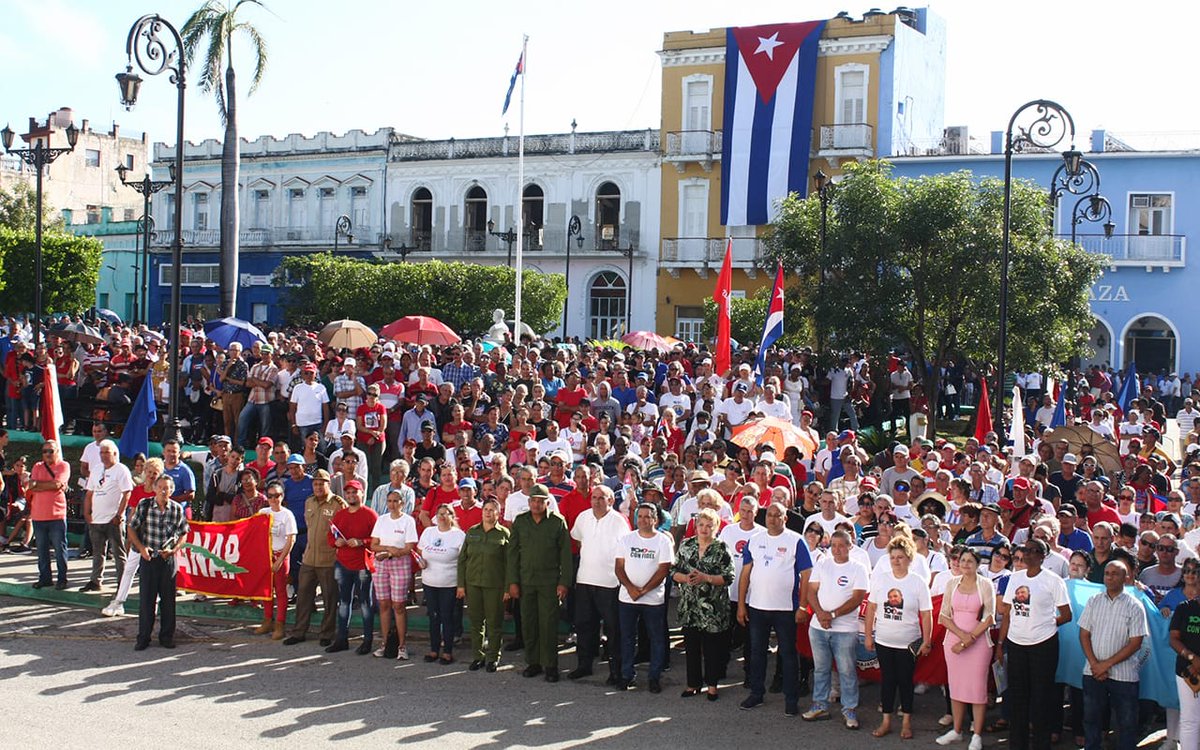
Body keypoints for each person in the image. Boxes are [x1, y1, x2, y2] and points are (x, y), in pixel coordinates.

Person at [738, 502, 814, 715]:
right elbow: (745, 575)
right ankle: (756, 693)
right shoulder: (755, 540)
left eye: (777, 515)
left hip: (785, 609)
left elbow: (807, 575)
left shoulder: (796, 540)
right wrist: (741, 605)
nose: (772, 519)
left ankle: (791, 699)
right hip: (757, 606)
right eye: (769, 515)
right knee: (757, 652)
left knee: (788, 654)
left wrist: (803, 606)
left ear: (785, 518)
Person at [996, 539, 1072, 750]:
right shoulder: (1015, 579)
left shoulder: (1053, 581)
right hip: (1017, 644)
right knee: (1018, 698)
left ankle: (1041, 744)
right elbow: (1008, 613)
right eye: (1024, 551)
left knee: (1041, 699)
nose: (1028, 554)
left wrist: (1046, 623)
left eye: (1033, 551)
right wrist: (1001, 644)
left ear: (1043, 555)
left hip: (1043, 645)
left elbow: (1066, 615)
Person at [864, 535, 933, 739]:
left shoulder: (918, 582)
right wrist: (868, 635)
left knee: (905, 681)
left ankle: (906, 722)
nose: (896, 560)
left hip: (909, 642)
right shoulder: (882, 579)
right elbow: (871, 608)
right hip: (884, 640)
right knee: (887, 681)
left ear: (909, 558)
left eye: (900, 557)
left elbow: (926, 613)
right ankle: (886, 721)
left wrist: (927, 640)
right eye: (893, 557)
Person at [506, 483, 573, 682]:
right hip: (526, 581)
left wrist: (564, 582)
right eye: (533, 500)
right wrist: (512, 582)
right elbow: (512, 554)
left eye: (540, 501)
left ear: (547, 503)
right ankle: (533, 662)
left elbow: (565, 556)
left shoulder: (557, 522)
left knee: (548, 624)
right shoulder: (520, 521)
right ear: (529, 502)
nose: (536, 504)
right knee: (529, 622)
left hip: (549, 582)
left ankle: (550, 665)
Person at [1078, 559, 1148, 750]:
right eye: (1107, 573)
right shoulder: (1093, 601)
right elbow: (1084, 634)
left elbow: (1135, 643)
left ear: (1126, 577)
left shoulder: (1134, 606)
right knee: (1091, 720)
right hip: (1093, 672)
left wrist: (1105, 665)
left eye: (1115, 574)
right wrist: (1095, 663)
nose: (1109, 577)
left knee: (1126, 723)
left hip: (1124, 676)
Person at [803, 528, 869, 729]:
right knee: (821, 669)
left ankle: (849, 709)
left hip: (844, 629)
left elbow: (857, 598)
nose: (837, 550)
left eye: (842, 546)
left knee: (847, 670)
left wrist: (831, 615)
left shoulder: (858, 568)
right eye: (833, 545)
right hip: (818, 627)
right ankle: (819, 705)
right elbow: (811, 592)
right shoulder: (822, 564)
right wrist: (820, 614)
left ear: (850, 546)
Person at [569, 484, 630, 683]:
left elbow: (625, 551)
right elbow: (577, 540)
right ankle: (584, 665)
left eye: (601, 498)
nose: (596, 501)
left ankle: (615, 671)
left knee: (613, 629)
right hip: (585, 580)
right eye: (594, 497)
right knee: (585, 626)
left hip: (610, 583)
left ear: (611, 501)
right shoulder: (583, 517)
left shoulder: (619, 521)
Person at [936, 548, 995, 750]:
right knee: (956, 687)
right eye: (963, 560)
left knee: (977, 689)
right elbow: (943, 616)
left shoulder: (985, 585)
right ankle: (956, 730)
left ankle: (976, 735)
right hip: (953, 643)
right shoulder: (951, 583)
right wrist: (962, 638)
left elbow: (989, 617)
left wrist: (970, 639)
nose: (966, 564)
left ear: (977, 564)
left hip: (979, 644)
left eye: (970, 561)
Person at [672, 506, 733, 700]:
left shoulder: (721, 548)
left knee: (712, 649)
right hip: (690, 607)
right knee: (691, 647)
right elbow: (673, 571)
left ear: (715, 527)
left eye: (709, 525)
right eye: (701, 524)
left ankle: (713, 685)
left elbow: (728, 576)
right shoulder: (686, 545)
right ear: (695, 526)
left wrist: (706, 577)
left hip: (713, 608)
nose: (704, 529)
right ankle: (693, 684)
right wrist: (685, 578)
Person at [614, 502, 675, 693]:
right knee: (627, 638)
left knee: (656, 639)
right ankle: (626, 675)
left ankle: (654, 677)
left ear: (655, 519)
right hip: (627, 598)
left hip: (653, 600)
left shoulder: (663, 541)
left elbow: (663, 570)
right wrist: (631, 588)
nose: (642, 520)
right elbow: (619, 567)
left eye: (647, 516)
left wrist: (644, 590)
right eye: (639, 516)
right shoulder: (626, 539)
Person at [127, 474, 189, 650]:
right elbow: (131, 528)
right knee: (147, 600)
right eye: (160, 487)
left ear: (172, 489)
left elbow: (184, 532)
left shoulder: (176, 509)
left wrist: (174, 550)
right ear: (154, 488)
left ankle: (167, 636)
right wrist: (141, 548)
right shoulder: (145, 505)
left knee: (168, 601)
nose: (164, 491)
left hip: (167, 560)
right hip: (149, 558)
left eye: (167, 488)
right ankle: (143, 637)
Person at [283, 470, 345, 647]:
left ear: (328, 484)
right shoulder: (309, 501)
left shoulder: (338, 504)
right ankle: (299, 632)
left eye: (321, 484)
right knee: (303, 597)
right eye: (315, 484)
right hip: (309, 558)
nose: (318, 487)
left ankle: (326, 633)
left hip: (328, 559)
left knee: (329, 598)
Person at [458, 498, 510, 672]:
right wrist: (461, 585)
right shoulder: (472, 532)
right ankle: (477, 656)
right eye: (485, 509)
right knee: (476, 623)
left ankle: (493, 658)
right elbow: (462, 560)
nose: (488, 512)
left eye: (492, 510)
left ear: (498, 513)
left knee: (494, 623)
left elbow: (510, 564)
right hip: (473, 584)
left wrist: (507, 588)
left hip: (495, 585)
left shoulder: (504, 534)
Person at [326, 479, 378, 654]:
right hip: (343, 563)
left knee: (365, 603)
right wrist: (336, 542)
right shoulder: (340, 515)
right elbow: (330, 536)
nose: (351, 495)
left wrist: (362, 541)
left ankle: (368, 640)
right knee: (344, 602)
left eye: (354, 492)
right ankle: (342, 638)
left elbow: (377, 541)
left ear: (362, 493)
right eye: (348, 493)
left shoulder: (370, 515)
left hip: (362, 564)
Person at [369, 488, 418, 660]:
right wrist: (388, 549)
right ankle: (384, 642)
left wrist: (391, 553)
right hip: (381, 564)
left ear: (402, 503)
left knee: (398, 605)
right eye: (389, 501)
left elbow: (408, 547)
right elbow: (373, 545)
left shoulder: (408, 521)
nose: (392, 504)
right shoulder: (381, 520)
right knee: (383, 604)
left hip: (400, 564)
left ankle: (402, 645)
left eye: (396, 501)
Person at [81, 439, 133, 594]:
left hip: (113, 519)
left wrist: (120, 514)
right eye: (102, 452)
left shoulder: (121, 469)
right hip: (96, 518)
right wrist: (87, 512)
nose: (103, 455)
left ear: (115, 454)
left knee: (119, 553)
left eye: (107, 452)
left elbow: (127, 493)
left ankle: (121, 584)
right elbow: (90, 493)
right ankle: (95, 580)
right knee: (97, 552)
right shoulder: (96, 469)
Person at [416, 503, 465, 664]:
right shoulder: (429, 532)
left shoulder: (459, 535)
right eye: (439, 513)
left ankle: (448, 651)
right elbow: (420, 551)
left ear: (452, 517)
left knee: (447, 617)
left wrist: (461, 585)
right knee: (434, 617)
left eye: (446, 513)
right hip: (430, 582)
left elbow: (464, 562)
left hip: (449, 584)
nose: (442, 516)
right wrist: (421, 561)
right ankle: (434, 649)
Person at [256, 481, 296, 639]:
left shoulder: (287, 515)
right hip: (265, 556)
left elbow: (291, 540)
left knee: (280, 591)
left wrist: (280, 561)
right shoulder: (263, 512)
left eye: (277, 495)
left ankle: (280, 624)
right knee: (265, 590)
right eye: (271, 496)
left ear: (282, 496)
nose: (274, 499)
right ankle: (267, 620)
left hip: (281, 555)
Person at [29, 440, 70, 590]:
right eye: (45, 451)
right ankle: (45, 578)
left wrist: (40, 485)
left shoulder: (64, 465)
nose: (47, 454)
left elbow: (57, 484)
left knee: (60, 549)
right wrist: (49, 485)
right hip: (38, 515)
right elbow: (32, 486)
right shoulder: (37, 466)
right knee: (41, 550)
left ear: (57, 452)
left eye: (50, 451)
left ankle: (62, 579)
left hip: (56, 515)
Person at [1169, 579, 1200, 750]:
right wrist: (1192, 658)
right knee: (1190, 720)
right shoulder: (1184, 608)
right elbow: (1173, 639)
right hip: (1187, 671)